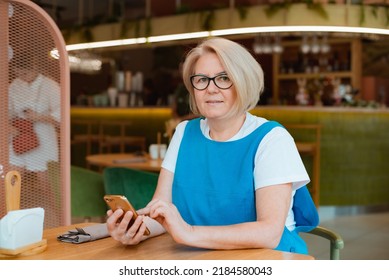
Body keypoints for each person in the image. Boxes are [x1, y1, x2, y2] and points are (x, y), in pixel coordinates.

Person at [106, 37, 318, 254]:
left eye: (224, 78)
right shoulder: (184, 133)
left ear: (244, 82)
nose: (211, 89)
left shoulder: (272, 139)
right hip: (200, 259)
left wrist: (188, 232)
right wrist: (135, 229)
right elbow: (160, 214)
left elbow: (269, 233)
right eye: (202, 80)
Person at [8, 53, 61, 227]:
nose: (21, 77)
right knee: (10, 180)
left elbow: (61, 116)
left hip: (44, 141)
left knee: (48, 186)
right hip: (18, 139)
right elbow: (6, 112)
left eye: (24, 74)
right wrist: (10, 127)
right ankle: (9, 220)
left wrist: (37, 117)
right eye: (17, 74)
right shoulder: (14, 86)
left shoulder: (50, 86)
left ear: (35, 69)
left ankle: (60, 221)